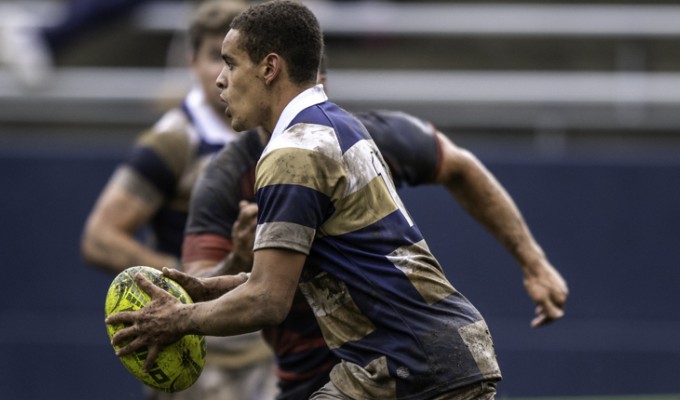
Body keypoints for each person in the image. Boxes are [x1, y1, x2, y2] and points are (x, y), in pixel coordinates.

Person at [107, 1, 516, 398]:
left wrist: (180, 320)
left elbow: (268, 302)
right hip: (414, 361)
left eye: (230, 63)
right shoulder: (334, 125)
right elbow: (309, 276)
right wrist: (212, 286)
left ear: (269, 68)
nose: (220, 80)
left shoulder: (293, 155)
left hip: (414, 368)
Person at [81, 1, 277, 399]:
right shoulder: (174, 140)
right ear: (190, 61)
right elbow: (99, 237)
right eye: (214, 57)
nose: (225, 72)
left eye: (238, 59)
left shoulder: (277, 131)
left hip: (267, 344)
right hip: (195, 347)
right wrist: (185, 280)